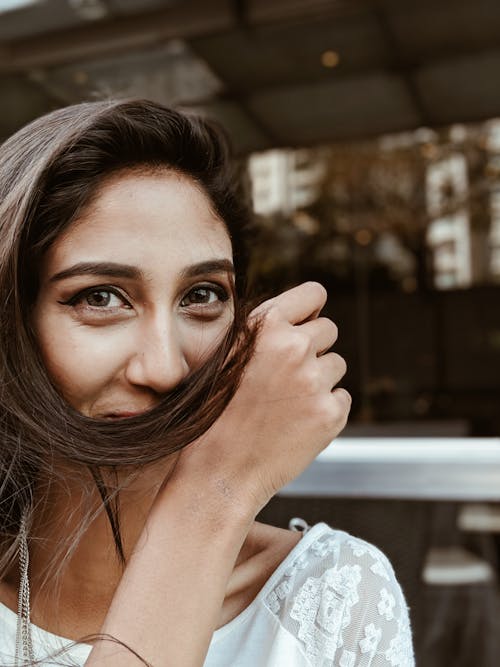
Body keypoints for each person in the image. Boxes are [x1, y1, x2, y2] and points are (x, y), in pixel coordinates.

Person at [0, 99, 414, 667]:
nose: (166, 369)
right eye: (100, 297)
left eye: (202, 295)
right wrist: (216, 492)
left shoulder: (333, 599)